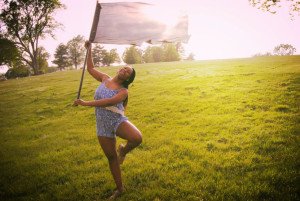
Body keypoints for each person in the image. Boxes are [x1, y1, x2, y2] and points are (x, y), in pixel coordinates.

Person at [73, 41, 142, 199]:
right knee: (111, 158)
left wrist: (85, 103)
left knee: (137, 138)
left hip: (116, 121)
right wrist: (89, 49)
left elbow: (109, 102)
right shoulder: (105, 78)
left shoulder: (123, 91)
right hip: (102, 125)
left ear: (127, 79)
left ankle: (123, 150)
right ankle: (120, 188)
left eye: (127, 72)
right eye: (124, 68)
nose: (124, 70)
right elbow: (90, 68)